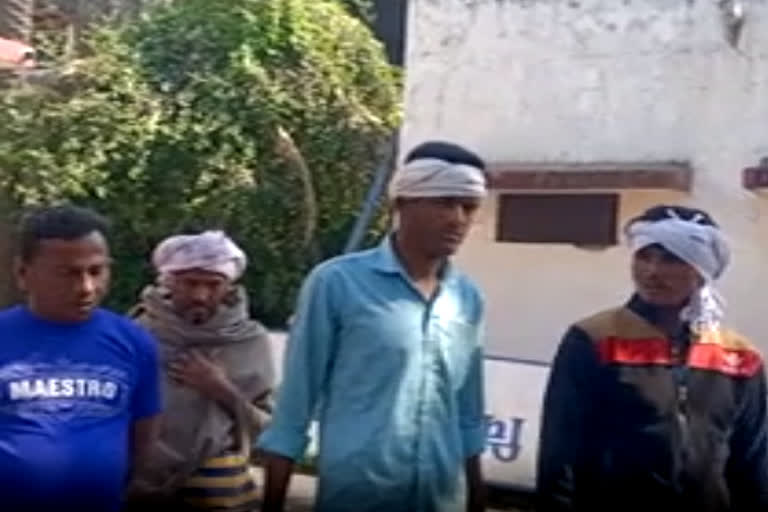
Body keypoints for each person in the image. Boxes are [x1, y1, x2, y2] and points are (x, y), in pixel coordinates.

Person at [258, 141, 489, 512]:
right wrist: (273, 502)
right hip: (358, 493)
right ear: (403, 203)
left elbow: (468, 411)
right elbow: (295, 405)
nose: (458, 219)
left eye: (469, 207)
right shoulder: (337, 284)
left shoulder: (467, 297)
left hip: (441, 497)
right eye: (445, 203)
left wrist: (476, 495)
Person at [536, 205, 768, 511]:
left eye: (671, 259)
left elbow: (752, 463)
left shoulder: (739, 357)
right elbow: (559, 453)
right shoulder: (594, 339)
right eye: (644, 256)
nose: (652, 271)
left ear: (701, 270)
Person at [0, 204, 162, 512]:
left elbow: (144, 432)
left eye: (96, 271)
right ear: (23, 273)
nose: (86, 287)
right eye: (67, 274)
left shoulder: (134, 341)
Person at [126, 230, 274, 510]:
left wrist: (221, 389)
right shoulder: (135, 335)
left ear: (229, 287)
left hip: (216, 487)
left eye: (213, 285)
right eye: (190, 283)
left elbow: (268, 429)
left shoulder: (250, 341)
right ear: (167, 282)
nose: (200, 295)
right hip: (138, 481)